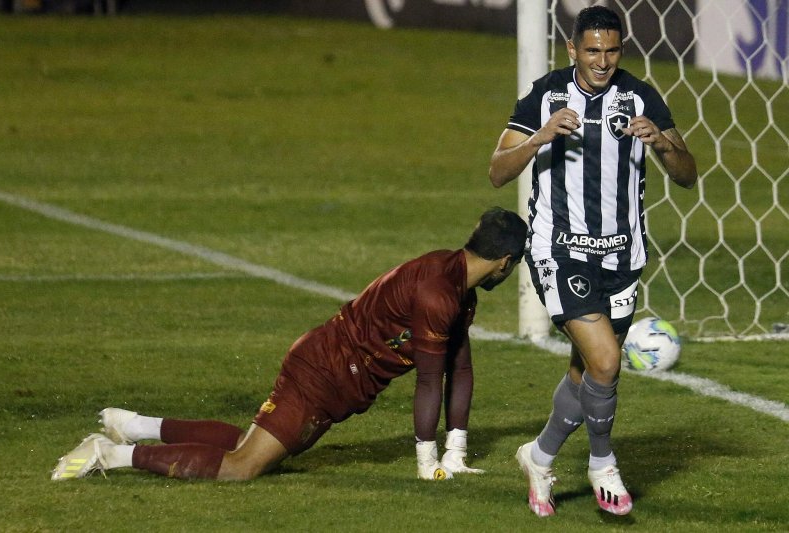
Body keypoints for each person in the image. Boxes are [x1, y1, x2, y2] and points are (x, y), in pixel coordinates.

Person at [51, 207, 528, 483]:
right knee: (243, 467)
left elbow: (458, 370)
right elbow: (428, 379)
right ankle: (109, 454)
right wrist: (427, 462)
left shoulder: (457, 289)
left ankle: (132, 425)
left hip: (335, 374)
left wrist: (455, 452)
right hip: (324, 372)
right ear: (505, 262)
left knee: (249, 446)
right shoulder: (438, 293)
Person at [488, 6, 697, 517]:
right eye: (592, 51)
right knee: (606, 361)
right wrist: (539, 137)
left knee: (586, 372)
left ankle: (539, 457)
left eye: (611, 51)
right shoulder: (545, 95)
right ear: (572, 50)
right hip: (560, 249)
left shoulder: (641, 97)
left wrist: (662, 143)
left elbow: (687, 174)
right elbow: (497, 171)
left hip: (623, 254)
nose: (602, 62)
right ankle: (603, 464)